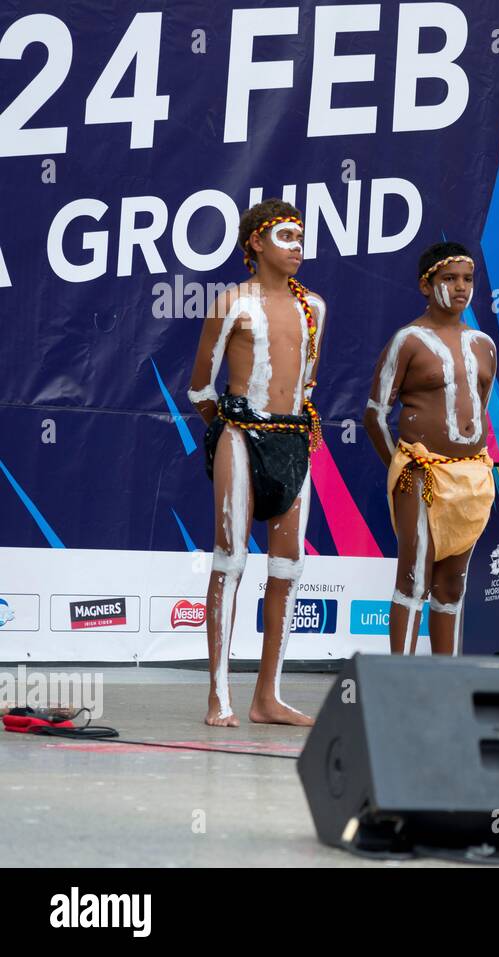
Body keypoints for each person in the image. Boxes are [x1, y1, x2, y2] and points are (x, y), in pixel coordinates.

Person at [188, 200, 327, 727]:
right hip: (242, 437)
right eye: (286, 237)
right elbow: (201, 387)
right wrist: (230, 432)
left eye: (300, 238)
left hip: (294, 441)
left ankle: (268, 696)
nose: (297, 248)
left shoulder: (315, 306)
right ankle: (218, 694)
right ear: (255, 244)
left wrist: (289, 429)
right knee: (231, 559)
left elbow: (308, 383)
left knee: (288, 568)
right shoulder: (233, 304)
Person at [363, 242, 497, 656]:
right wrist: (402, 467)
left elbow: (480, 406)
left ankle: (445, 682)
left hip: (472, 474)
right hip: (419, 474)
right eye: (449, 279)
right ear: (426, 285)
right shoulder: (408, 340)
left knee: (453, 581)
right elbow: (374, 413)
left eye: (467, 279)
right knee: (414, 577)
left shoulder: (484, 344)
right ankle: (400, 681)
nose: (460, 288)